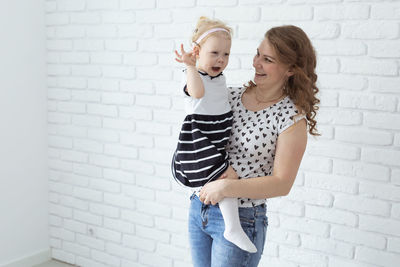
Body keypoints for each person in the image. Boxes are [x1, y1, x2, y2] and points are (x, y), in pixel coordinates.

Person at [189, 25, 320, 267]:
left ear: (291, 69)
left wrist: (227, 187)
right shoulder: (229, 95)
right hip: (200, 208)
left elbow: (282, 183)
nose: (256, 63)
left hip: (243, 218)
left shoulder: (290, 118)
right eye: (257, 54)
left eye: (267, 59)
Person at [171, 17, 257, 253]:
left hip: (215, 137)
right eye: (215, 53)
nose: (221, 59)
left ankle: (229, 225)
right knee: (226, 175)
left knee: (220, 177)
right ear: (197, 52)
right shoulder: (191, 76)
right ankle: (233, 227)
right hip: (199, 137)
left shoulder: (219, 77)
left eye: (226, 54)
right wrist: (190, 66)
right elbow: (197, 93)